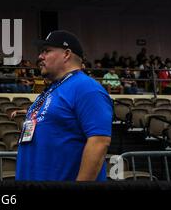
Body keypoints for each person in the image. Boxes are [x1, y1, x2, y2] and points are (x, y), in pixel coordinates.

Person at [16, 30, 112, 181]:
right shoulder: (54, 89)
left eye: (46, 51)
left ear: (66, 54)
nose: (40, 57)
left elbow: (99, 142)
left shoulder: (86, 87)